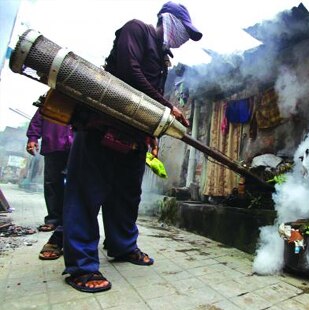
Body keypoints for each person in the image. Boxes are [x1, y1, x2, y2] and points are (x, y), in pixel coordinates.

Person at [62, 1, 201, 293]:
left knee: (126, 197)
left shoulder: (164, 61)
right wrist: (167, 107)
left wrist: (151, 136)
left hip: (134, 139)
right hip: (101, 128)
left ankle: (122, 246)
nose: (184, 38)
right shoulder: (136, 30)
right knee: (86, 196)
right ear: (167, 20)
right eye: (184, 30)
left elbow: (146, 109)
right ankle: (82, 267)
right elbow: (128, 71)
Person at [26, 107, 73, 260]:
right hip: (53, 143)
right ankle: (53, 219)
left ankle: (65, 221)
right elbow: (40, 116)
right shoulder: (51, 97)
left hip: (75, 146)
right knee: (52, 182)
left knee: (74, 185)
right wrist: (32, 138)